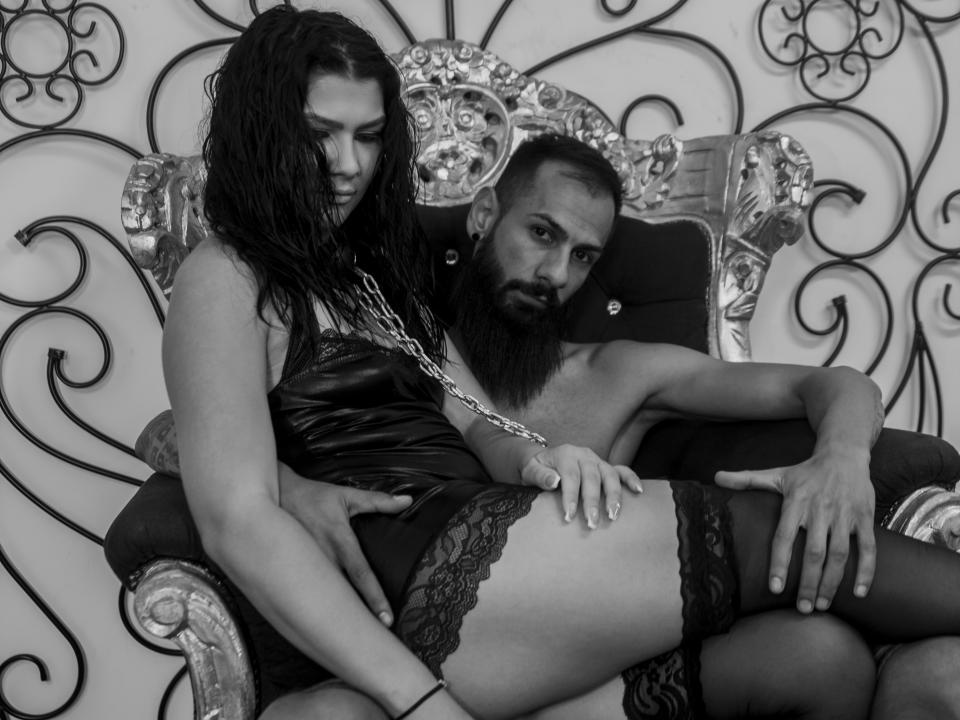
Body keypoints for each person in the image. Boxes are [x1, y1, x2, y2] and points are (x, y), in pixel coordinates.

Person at [164, 7, 960, 720]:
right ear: (265, 132)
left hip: (494, 567)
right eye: (320, 133)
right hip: (427, 582)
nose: (347, 163)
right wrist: (419, 704)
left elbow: (474, 419)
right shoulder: (223, 275)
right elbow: (236, 519)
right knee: (771, 531)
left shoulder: (368, 277)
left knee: (817, 659)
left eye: (368, 136)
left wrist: (542, 461)